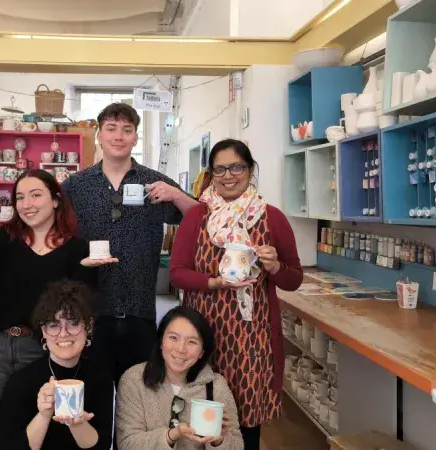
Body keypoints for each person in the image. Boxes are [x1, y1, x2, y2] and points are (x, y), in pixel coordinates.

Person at [0, 169, 114, 450]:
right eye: (20, 197)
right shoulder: (2, 240)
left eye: (35, 195)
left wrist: (87, 274)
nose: (26, 203)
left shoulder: (78, 249)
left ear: (55, 200)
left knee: (35, 432)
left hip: (37, 349)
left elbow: (78, 306)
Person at [169, 139, 303, 450]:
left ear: (250, 169)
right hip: (201, 336)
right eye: (220, 169)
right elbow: (176, 273)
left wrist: (275, 266)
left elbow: (293, 279)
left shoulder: (271, 218)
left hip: (252, 341)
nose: (229, 175)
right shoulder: (196, 217)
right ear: (211, 173)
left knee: (244, 422)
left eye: (237, 167)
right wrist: (212, 282)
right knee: (200, 416)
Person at [62, 102, 199, 389]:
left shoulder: (155, 182)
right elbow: (55, 231)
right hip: (90, 311)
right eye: (111, 129)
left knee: (138, 402)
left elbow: (202, 217)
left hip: (140, 310)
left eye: (127, 130)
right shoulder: (76, 185)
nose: (118, 136)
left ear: (135, 137)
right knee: (92, 396)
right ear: (99, 134)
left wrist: (175, 194)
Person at [0, 280, 114, 450]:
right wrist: (44, 415)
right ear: (44, 331)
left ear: (88, 326)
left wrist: (77, 423)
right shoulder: (20, 382)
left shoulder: (100, 376)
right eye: (53, 325)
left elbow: (101, 445)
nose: (63, 334)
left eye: (73, 323)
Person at [115, 306, 243, 450]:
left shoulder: (216, 385)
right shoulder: (134, 380)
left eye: (192, 342)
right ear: (161, 342)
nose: (181, 349)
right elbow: (127, 443)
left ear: (202, 352)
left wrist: (219, 441)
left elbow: (237, 445)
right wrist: (171, 435)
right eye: (173, 338)